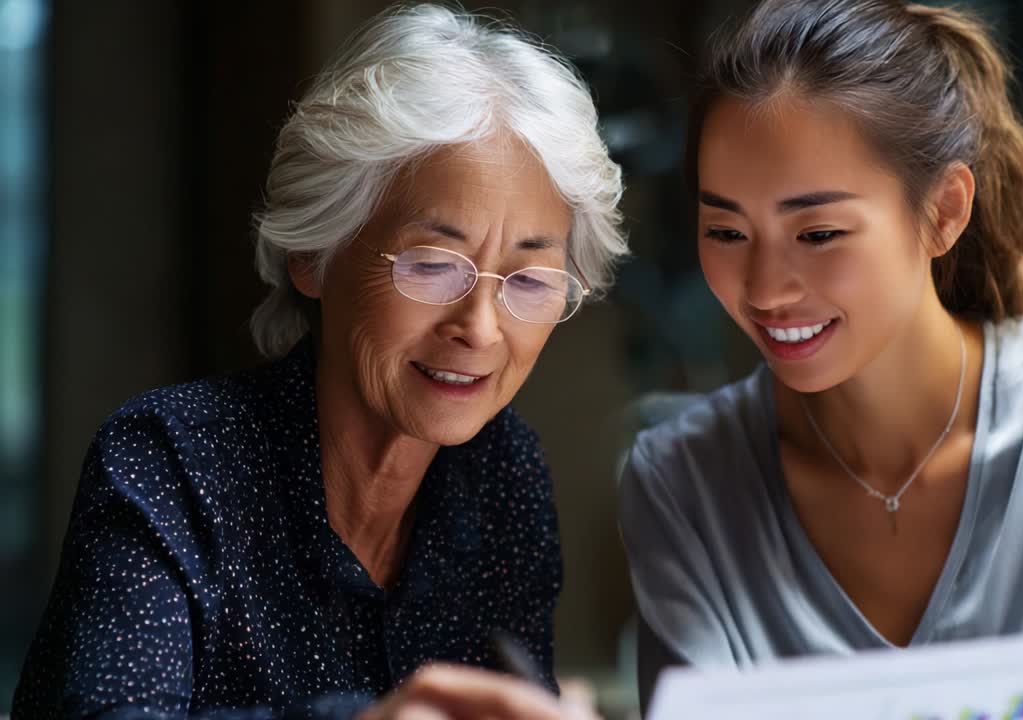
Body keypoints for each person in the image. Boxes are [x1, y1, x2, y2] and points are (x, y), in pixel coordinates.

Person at [618, 1, 1023, 716]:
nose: (765, 289)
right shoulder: (683, 483)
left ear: (943, 212)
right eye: (726, 230)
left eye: (819, 233)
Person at [15, 4, 625, 718]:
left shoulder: (502, 476)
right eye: (431, 265)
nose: (480, 329)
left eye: (529, 281)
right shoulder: (170, 464)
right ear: (313, 253)